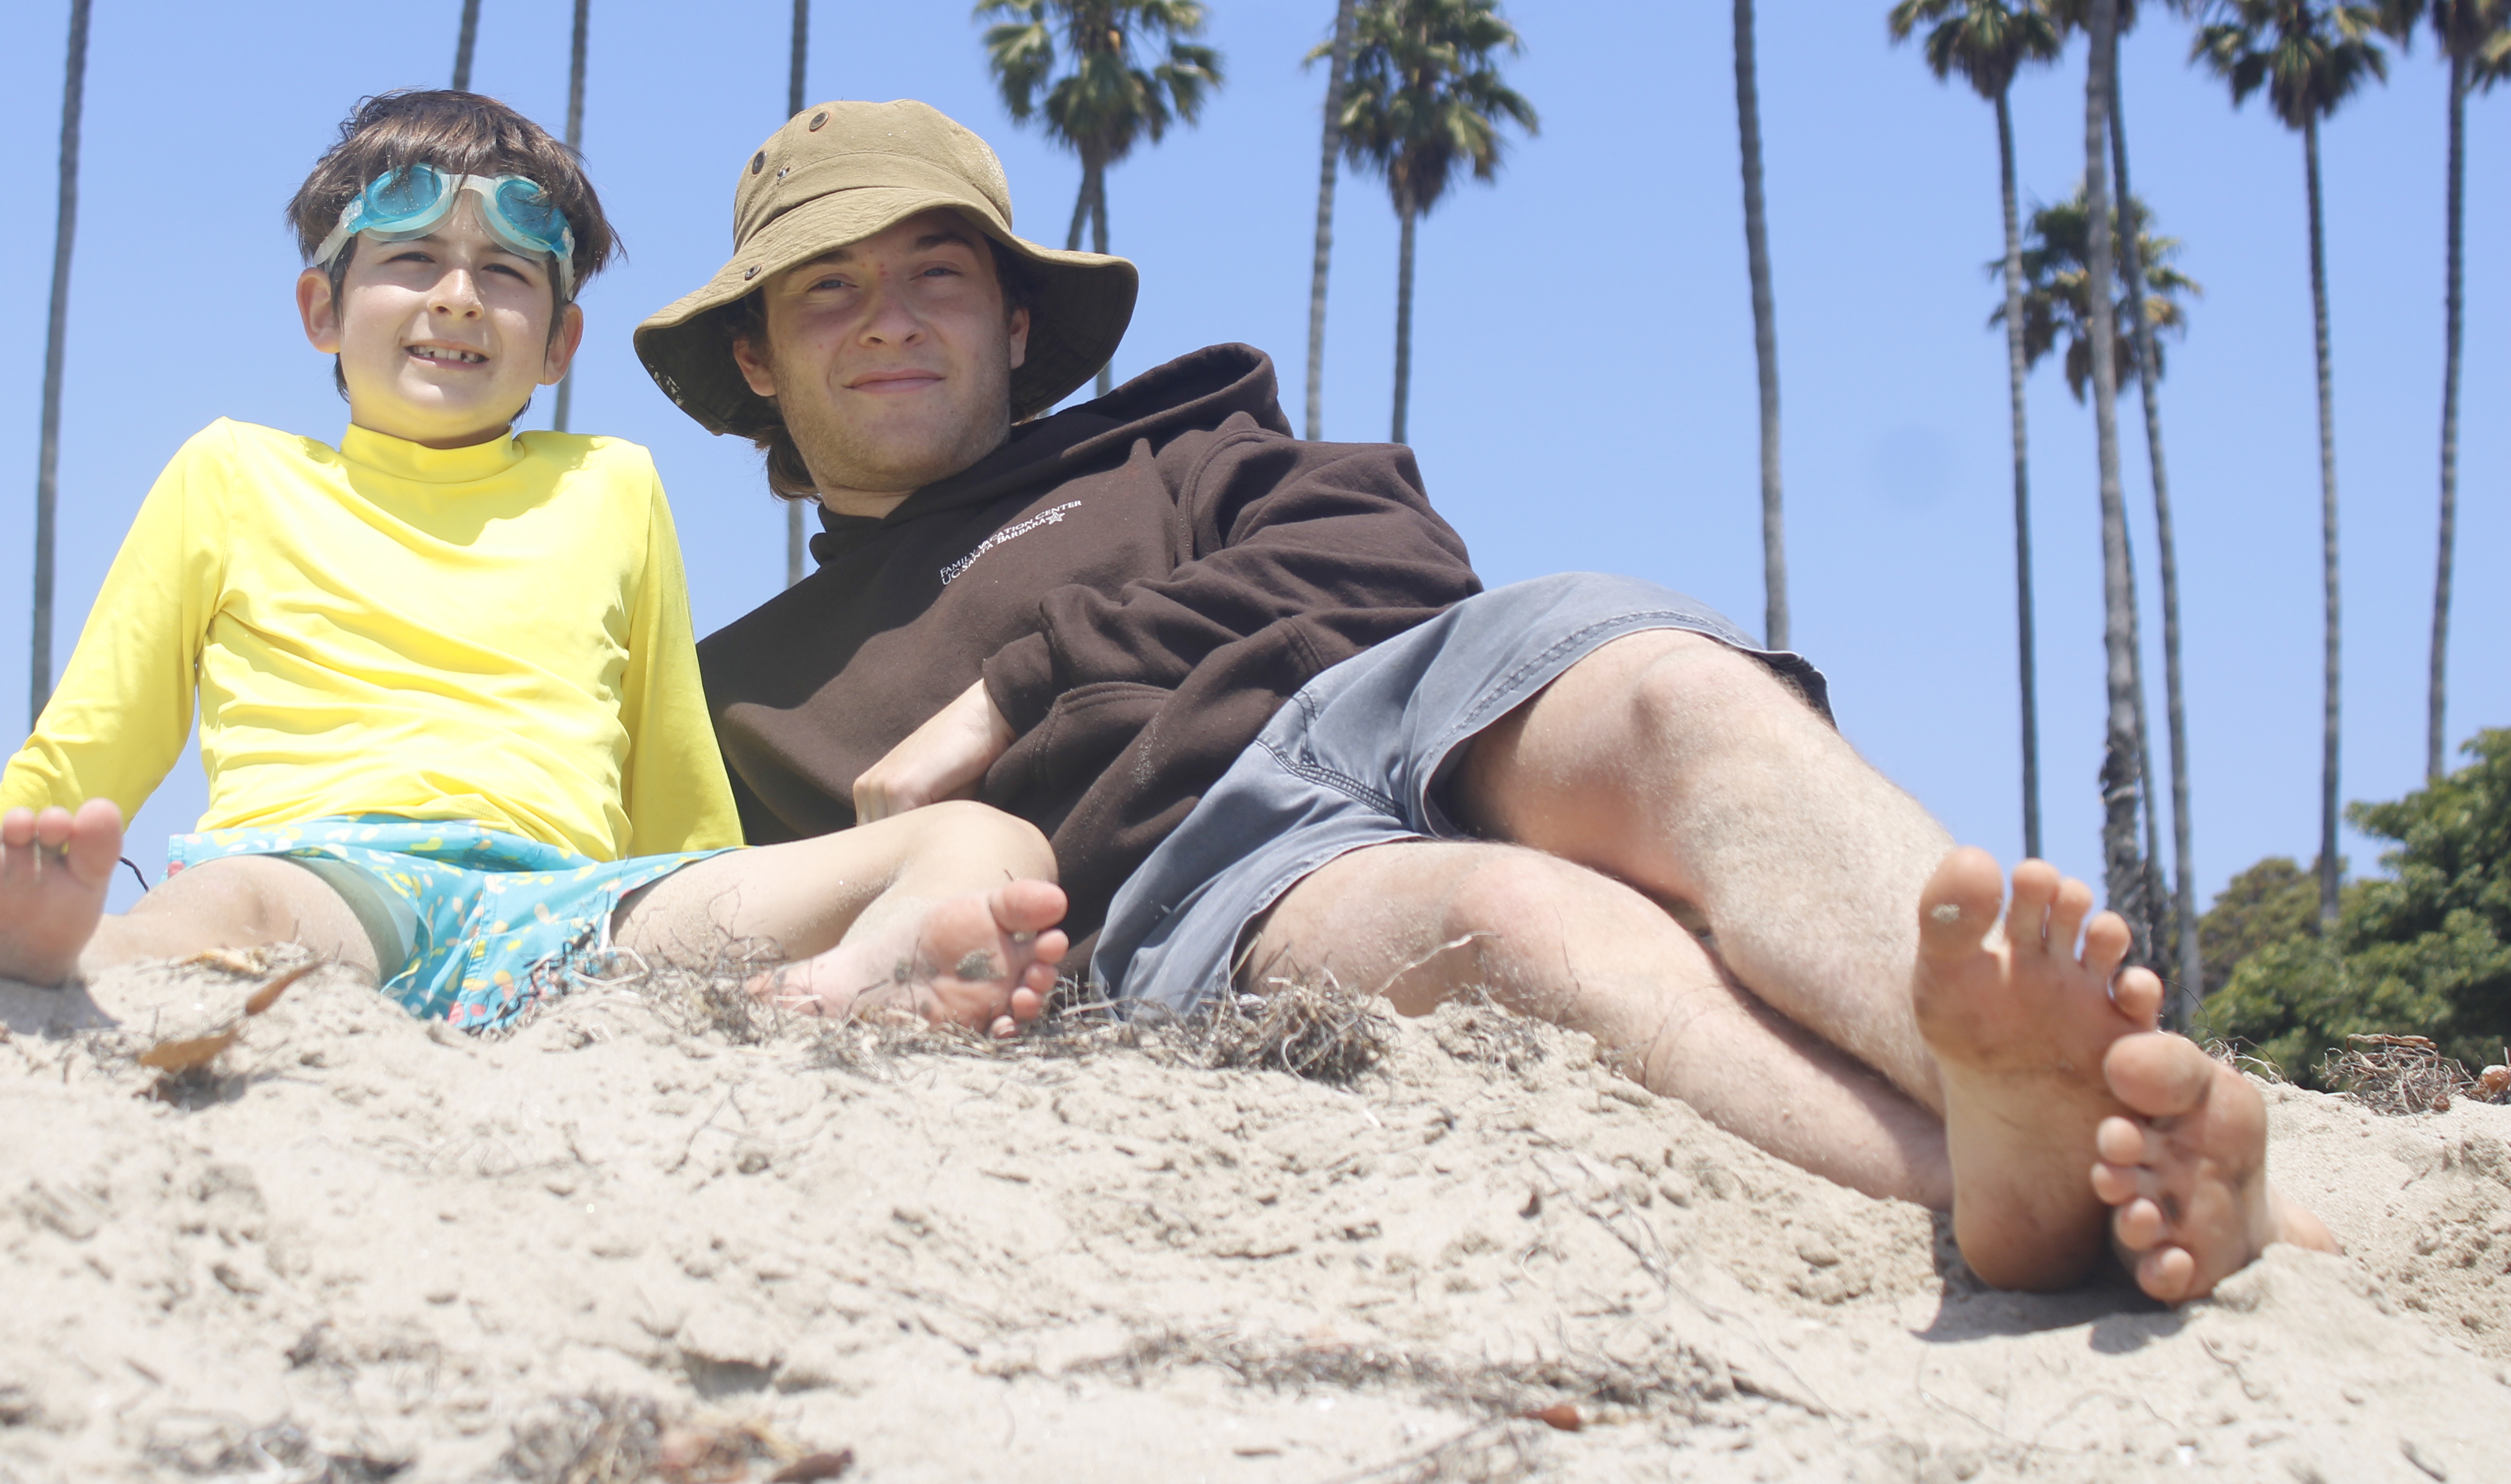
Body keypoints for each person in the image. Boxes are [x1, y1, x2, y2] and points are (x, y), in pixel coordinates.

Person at [636, 98, 2333, 1300]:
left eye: (937, 273)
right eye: (828, 291)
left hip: (1410, 685)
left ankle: (2083, 1099)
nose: (890, 323)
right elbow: (694, 906)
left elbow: (1388, 558)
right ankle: (2021, 1179)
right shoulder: (743, 695)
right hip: (1189, 862)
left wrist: (1021, 682)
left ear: (1016, 317)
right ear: (760, 364)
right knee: (1509, 923)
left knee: (1678, 695)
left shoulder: (1181, 439)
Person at [0, 90, 1066, 1036]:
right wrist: (26, 854)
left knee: (987, 844)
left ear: (560, 340)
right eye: (412, 258)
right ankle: (54, 962)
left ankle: (857, 978)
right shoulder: (233, 473)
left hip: (573, 913)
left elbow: (669, 768)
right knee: (229, 902)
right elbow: (100, 729)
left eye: (509, 273)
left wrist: (735, 909)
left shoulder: (609, 484)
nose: (458, 296)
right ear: (322, 307)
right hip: (329, 878)